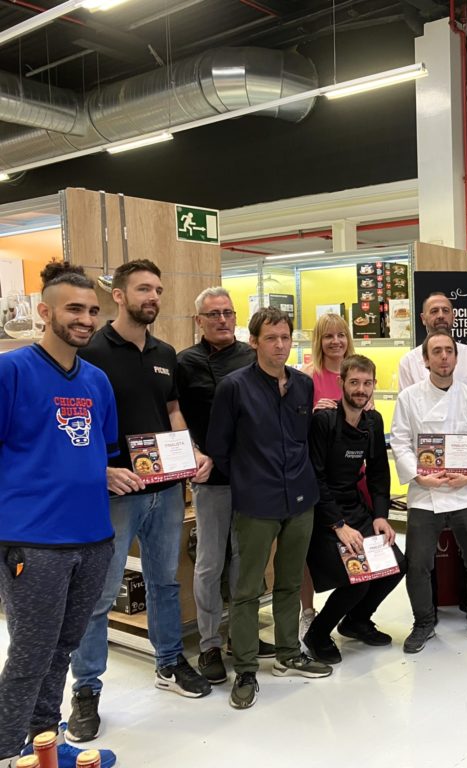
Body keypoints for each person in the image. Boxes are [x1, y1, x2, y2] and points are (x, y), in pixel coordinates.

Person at [69, 260, 213, 743]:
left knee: (165, 583)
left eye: (157, 289)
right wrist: (100, 473)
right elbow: (76, 424)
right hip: (115, 494)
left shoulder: (164, 352)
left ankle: (170, 663)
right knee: (99, 595)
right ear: (118, 294)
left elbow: (172, 409)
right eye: (143, 289)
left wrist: (189, 451)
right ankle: (86, 690)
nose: (152, 296)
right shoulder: (89, 350)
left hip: (166, 491)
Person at [0, 264, 119, 767]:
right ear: (45, 312)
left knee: (63, 648)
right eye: (74, 308)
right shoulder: (11, 370)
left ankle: (44, 745)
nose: (85, 319)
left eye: (92, 310)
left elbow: (100, 452)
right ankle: (6, 751)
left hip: (93, 536)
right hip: (34, 541)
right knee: (30, 656)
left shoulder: (96, 381)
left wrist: (108, 475)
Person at [207, 307, 332, 710]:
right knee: (246, 590)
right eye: (271, 338)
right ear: (254, 342)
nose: (280, 346)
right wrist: (250, 478)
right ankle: (244, 669)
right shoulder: (234, 387)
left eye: (285, 338)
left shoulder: (302, 385)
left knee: (290, 582)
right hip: (256, 503)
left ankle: (287, 653)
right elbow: (220, 449)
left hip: (300, 499)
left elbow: (302, 440)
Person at [176, 287, 266, 685]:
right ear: (199, 321)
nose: (222, 320)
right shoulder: (184, 363)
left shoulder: (253, 357)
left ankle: (240, 638)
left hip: (250, 477)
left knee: (245, 561)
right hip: (209, 477)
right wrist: (193, 452)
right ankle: (210, 643)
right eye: (213, 314)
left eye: (228, 312)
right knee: (210, 563)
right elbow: (172, 416)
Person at [392, 331, 467, 653]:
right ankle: (424, 622)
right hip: (425, 493)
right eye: (436, 351)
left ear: (456, 357)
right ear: (425, 360)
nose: (443, 357)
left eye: (449, 351)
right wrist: (421, 476)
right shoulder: (408, 398)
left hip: (465, 492)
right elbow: (400, 442)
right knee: (418, 564)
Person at [302, 354, 405, 663]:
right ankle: (317, 635)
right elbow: (315, 476)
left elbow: (377, 473)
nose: (361, 389)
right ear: (341, 383)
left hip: (355, 506)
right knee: (357, 578)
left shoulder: (373, 420)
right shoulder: (323, 420)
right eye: (355, 382)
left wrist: (381, 517)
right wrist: (338, 525)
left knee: (396, 565)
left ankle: (356, 621)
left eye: (367, 383)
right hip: (323, 512)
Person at [297, 312, 355, 642]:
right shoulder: (306, 377)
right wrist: (314, 415)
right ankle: (307, 612)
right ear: (318, 341)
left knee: (351, 543)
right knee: (308, 550)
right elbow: (294, 429)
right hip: (316, 476)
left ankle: (350, 608)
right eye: (328, 336)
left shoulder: (357, 373)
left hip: (349, 476)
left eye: (340, 335)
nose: (335, 342)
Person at [398, 292, 467, 392]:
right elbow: (407, 404)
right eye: (434, 311)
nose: (440, 315)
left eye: (445, 311)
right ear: (423, 319)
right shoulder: (408, 362)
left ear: (453, 317)